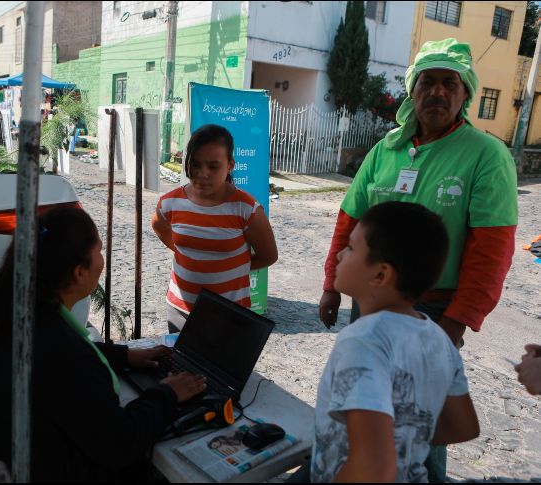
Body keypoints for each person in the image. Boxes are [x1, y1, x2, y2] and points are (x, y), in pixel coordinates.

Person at [317, 39, 517, 481]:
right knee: (369, 401)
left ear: (465, 94)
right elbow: (349, 222)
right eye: (428, 81)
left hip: (433, 310)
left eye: (451, 83)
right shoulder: (384, 151)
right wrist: (332, 284)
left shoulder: (486, 155)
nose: (438, 92)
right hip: (369, 300)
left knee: (419, 420)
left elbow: (493, 250)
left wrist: (453, 327)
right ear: (413, 90)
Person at [0, 207, 207, 482]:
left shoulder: (6, 312)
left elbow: (56, 361)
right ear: (78, 272)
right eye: (98, 251)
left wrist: (124, 356)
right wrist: (166, 393)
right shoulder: (61, 352)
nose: (102, 260)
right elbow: (120, 445)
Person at [310, 201, 479, 483]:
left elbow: (373, 469)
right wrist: (404, 439)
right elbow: (463, 426)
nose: (339, 254)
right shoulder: (439, 338)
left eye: (351, 248)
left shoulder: (362, 340)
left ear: (380, 274)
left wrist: (378, 450)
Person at [152, 124, 278, 332]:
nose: (202, 173)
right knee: (181, 364)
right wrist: (184, 254)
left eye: (213, 166)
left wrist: (231, 268)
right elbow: (158, 225)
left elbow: (268, 255)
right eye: (195, 164)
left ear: (230, 166)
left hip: (228, 313)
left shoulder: (246, 209)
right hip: (180, 309)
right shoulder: (170, 203)